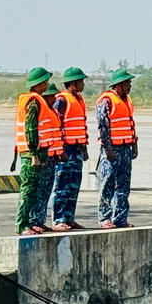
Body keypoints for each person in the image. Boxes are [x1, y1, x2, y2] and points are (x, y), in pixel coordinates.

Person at [13, 66, 54, 235]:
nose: (47, 84)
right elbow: (31, 129)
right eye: (45, 81)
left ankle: (29, 223)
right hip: (32, 153)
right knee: (28, 189)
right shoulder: (33, 101)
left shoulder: (38, 99)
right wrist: (34, 154)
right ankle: (22, 225)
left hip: (39, 152)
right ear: (39, 84)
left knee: (35, 189)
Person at [96, 68, 138, 229]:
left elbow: (129, 124)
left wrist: (134, 145)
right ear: (118, 85)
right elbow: (103, 126)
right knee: (107, 184)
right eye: (127, 83)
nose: (129, 86)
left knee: (123, 186)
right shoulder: (106, 101)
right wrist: (108, 149)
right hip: (112, 150)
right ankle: (105, 218)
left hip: (126, 148)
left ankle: (120, 217)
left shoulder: (126, 101)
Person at [50, 67, 90, 231]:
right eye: (80, 81)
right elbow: (56, 125)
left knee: (74, 185)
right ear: (72, 83)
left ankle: (69, 218)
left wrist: (84, 147)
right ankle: (59, 219)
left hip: (77, 149)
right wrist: (60, 150)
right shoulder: (62, 100)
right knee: (62, 186)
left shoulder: (79, 99)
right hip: (65, 150)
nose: (83, 84)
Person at [32, 83, 66, 231]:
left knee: (46, 190)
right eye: (52, 96)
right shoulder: (42, 111)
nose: (54, 98)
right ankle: (34, 221)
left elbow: (55, 135)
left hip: (53, 157)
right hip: (45, 156)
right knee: (39, 190)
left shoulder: (51, 111)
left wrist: (59, 153)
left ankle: (40, 220)